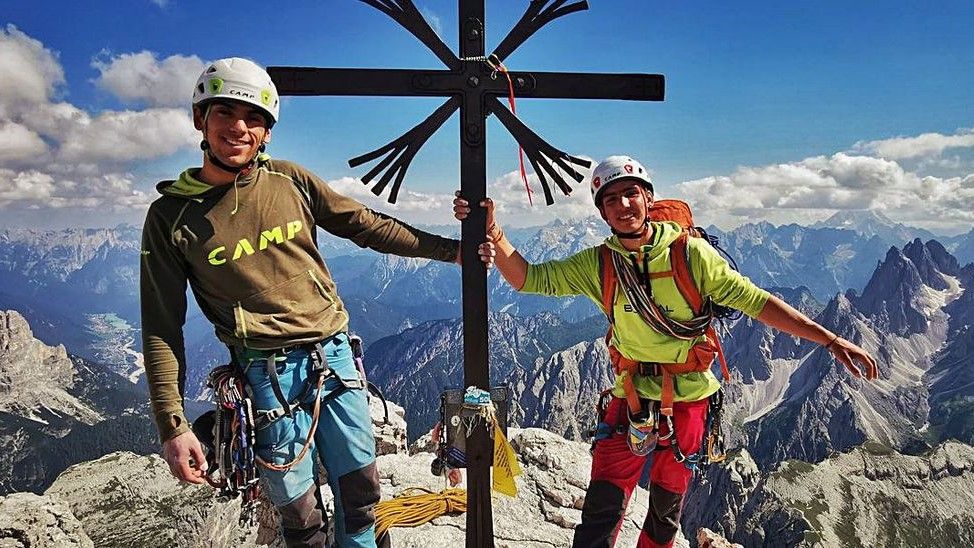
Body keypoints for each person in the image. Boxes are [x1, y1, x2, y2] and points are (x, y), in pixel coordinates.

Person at [453, 155, 878, 548]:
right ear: (602, 213)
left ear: (648, 197)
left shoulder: (691, 255)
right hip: (631, 395)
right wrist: (494, 231)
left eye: (630, 193)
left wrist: (829, 338)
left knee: (663, 513)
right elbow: (528, 277)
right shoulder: (599, 263)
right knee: (602, 506)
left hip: (689, 400)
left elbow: (757, 301)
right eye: (611, 199)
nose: (623, 205)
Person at [141, 57, 461, 548]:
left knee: (362, 497)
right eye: (224, 111)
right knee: (300, 516)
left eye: (254, 118)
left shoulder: (289, 180)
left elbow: (366, 225)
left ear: (267, 132)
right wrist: (173, 425)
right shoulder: (171, 217)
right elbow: (162, 325)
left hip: (334, 359)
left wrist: (453, 251)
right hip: (266, 376)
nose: (239, 127)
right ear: (200, 118)